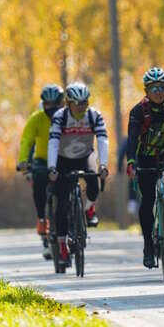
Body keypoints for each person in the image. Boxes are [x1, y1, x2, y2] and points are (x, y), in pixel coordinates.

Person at [126, 67, 164, 269]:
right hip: (146, 159)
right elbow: (132, 140)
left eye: (162, 87)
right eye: (154, 88)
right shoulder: (138, 111)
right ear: (146, 90)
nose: (158, 92)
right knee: (148, 199)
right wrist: (131, 162)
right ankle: (148, 247)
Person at [47, 82, 109, 267]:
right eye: (78, 103)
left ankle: (89, 208)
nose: (82, 107)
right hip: (63, 158)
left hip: (85, 155)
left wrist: (104, 165)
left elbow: (103, 140)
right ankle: (62, 246)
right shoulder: (60, 117)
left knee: (93, 184)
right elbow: (53, 143)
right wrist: (52, 168)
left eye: (85, 102)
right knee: (62, 203)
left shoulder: (94, 116)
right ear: (68, 103)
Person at [17, 83, 65, 259]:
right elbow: (27, 141)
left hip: (63, 160)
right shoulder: (36, 119)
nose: (52, 108)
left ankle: (72, 225)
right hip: (42, 161)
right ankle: (42, 219)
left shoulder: (68, 117)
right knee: (38, 184)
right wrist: (23, 162)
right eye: (48, 104)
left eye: (56, 104)